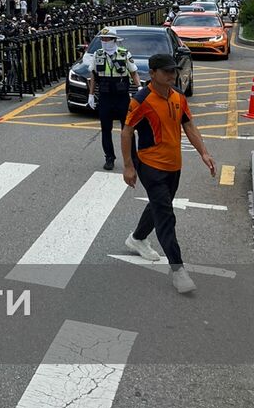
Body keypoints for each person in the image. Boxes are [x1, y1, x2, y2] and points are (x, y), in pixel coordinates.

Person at [121, 53, 216, 294]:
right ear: (152, 74)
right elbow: (126, 132)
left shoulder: (179, 97)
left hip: (174, 165)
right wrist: (129, 166)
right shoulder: (141, 100)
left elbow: (189, 126)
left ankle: (137, 238)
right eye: (166, 72)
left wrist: (204, 153)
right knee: (165, 214)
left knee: (159, 204)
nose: (172, 75)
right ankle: (178, 269)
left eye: (173, 71)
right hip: (149, 165)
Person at [88, 27, 140, 170]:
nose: (104, 42)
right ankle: (109, 158)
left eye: (107, 39)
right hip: (105, 96)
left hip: (122, 96)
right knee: (106, 129)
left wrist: (140, 88)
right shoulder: (97, 54)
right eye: (102, 40)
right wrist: (91, 94)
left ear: (114, 40)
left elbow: (134, 72)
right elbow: (93, 76)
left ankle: (133, 158)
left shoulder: (124, 54)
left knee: (128, 128)